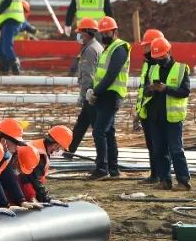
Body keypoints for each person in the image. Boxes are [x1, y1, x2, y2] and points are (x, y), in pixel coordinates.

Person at [143, 37, 192, 190]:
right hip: (155, 117)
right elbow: (144, 91)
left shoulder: (181, 69)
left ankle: (183, 181)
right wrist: (150, 89)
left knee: (176, 150)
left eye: (162, 57)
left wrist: (166, 89)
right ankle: (164, 180)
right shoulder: (152, 69)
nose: (159, 60)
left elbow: (185, 92)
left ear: (169, 52)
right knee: (159, 150)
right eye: (157, 58)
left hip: (172, 118)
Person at [87, 16, 130, 179]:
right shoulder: (108, 48)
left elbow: (111, 74)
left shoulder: (119, 48)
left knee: (99, 131)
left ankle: (102, 169)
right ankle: (113, 168)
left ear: (115, 31)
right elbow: (102, 74)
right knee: (108, 132)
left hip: (111, 95)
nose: (104, 35)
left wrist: (96, 92)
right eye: (102, 32)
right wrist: (95, 90)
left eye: (107, 32)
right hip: (105, 95)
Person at [66, 17, 102, 156]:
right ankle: (70, 150)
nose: (78, 35)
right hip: (93, 93)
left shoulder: (90, 50)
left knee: (96, 128)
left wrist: (83, 95)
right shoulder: (94, 47)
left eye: (80, 32)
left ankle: (102, 157)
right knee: (82, 123)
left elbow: (88, 76)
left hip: (90, 94)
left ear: (87, 33)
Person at [134, 28, 165, 184]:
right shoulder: (147, 64)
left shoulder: (161, 65)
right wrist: (138, 111)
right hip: (146, 111)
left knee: (158, 145)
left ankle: (160, 175)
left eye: (147, 46)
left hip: (156, 112)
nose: (144, 49)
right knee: (151, 145)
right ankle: (154, 174)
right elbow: (142, 89)